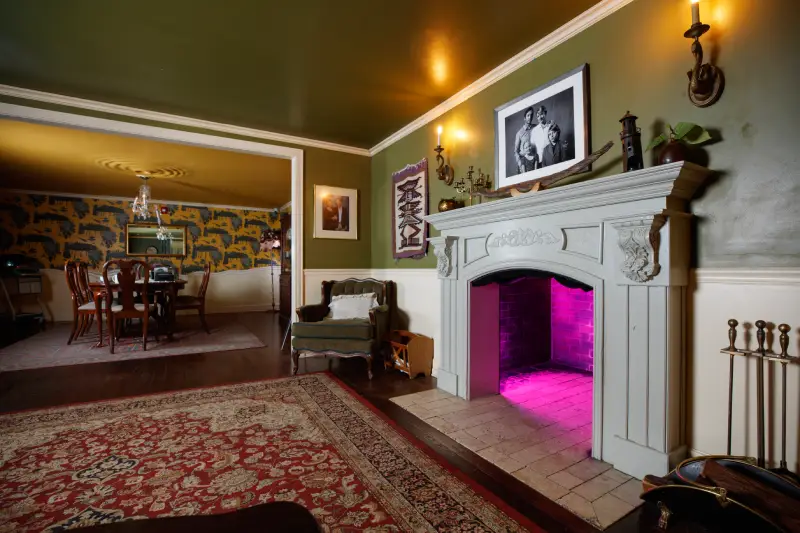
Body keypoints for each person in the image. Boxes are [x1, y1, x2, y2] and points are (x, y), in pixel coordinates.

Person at [513, 107, 538, 174]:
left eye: (531, 115)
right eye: (528, 115)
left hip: (535, 162)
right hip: (524, 164)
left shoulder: (536, 128)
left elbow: (544, 126)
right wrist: (520, 164)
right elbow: (516, 151)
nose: (530, 117)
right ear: (524, 118)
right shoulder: (519, 133)